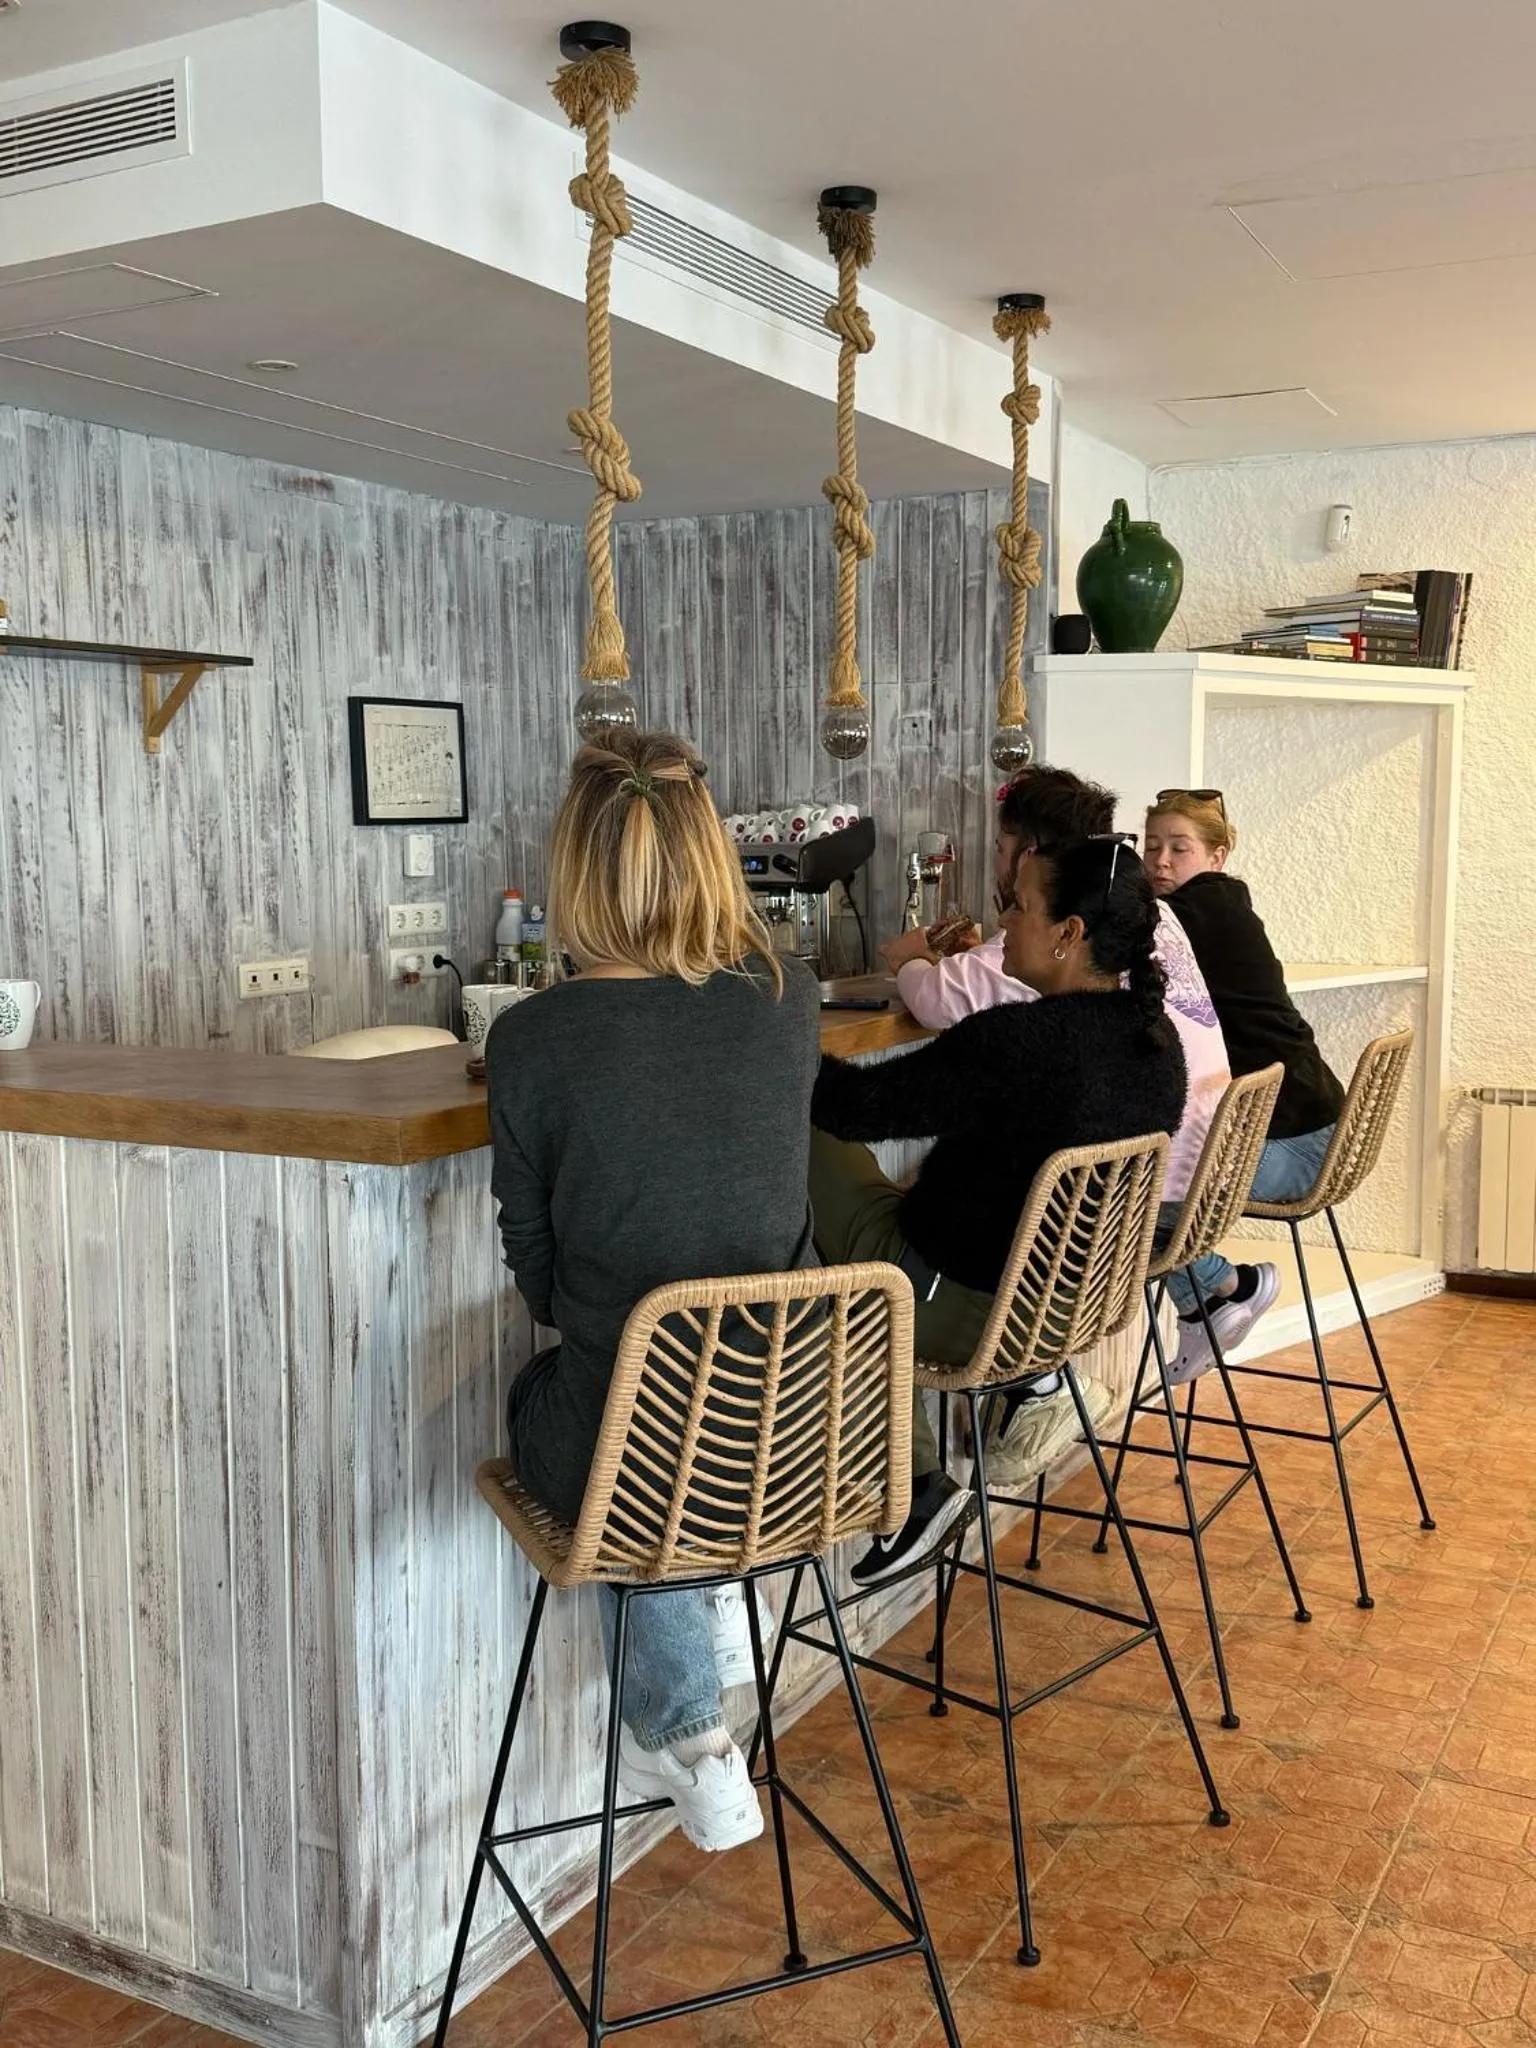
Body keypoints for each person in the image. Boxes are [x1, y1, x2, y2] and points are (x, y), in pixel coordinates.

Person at [486, 731, 821, 1854]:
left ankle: (688, 1731)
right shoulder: (790, 996)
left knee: (580, 1392)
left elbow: (537, 1276)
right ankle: (713, 1597)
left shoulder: (531, 1038)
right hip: (798, 1430)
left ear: (576, 866)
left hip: (640, 1443)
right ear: (712, 857)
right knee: (667, 1394)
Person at [812, 835, 1188, 1583]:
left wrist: (771, 1024)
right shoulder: (1156, 1042)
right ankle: (1025, 1391)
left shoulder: (1020, 1040)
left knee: (799, 1141)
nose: (1001, 925)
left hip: (963, 1306)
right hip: (1069, 1309)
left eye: (1018, 907)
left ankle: (918, 1486)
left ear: (1068, 934)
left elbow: (847, 1105)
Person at [878, 767, 1229, 1483]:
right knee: (971, 1163)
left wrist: (912, 958)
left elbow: (939, 1007)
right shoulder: (1135, 929)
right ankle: (1038, 1386)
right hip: (1142, 1217)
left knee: (909, 1192)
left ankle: (938, 1465)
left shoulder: (1048, 976)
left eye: (1005, 848)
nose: (1001, 881)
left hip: (1069, 1253)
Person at [1143, 789, 1345, 1381]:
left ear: (1217, 855)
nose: (1160, 860)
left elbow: (1113, 938)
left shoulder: (1200, 910)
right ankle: (1223, 1291)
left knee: (1140, 1190)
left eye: (1179, 848)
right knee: (1148, 1178)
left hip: (1301, 1143)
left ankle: (1217, 1292)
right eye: (1152, 845)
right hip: (1312, 1126)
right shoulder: (1210, 908)